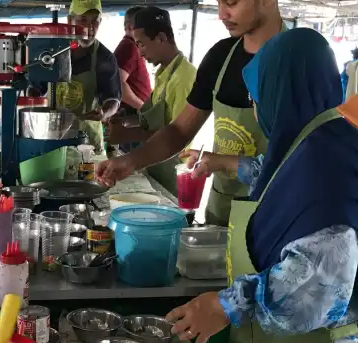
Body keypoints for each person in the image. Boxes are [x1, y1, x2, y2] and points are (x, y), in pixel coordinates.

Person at [166, 28, 358, 343]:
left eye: (258, 93)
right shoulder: (319, 136)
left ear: (282, 88)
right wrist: (220, 163)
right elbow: (276, 173)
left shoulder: (324, 164)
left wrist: (228, 305)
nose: (255, 105)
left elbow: (322, 278)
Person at [96, 0, 283, 226]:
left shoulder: (303, 60)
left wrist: (223, 162)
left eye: (231, 2)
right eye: (219, 3)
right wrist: (130, 161)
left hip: (275, 215)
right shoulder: (220, 58)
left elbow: (304, 162)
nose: (222, 14)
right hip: (224, 209)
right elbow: (179, 130)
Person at [107, 6, 196, 194]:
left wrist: (126, 135)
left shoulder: (184, 78)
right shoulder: (164, 74)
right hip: (156, 165)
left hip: (173, 168)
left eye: (142, 44)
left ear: (162, 38)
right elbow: (151, 117)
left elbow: (178, 136)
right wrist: (123, 122)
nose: (140, 53)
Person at [55, 0, 121, 153]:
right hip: (53, 137)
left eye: (95, 21)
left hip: (88, 142)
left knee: (88, 174)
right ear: (70, 20)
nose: (90, 27)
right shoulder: (54, 53)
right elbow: (35, 90)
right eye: (83, 20)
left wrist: (104, 112)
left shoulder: (104, 57)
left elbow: (113, 99)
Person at [114, 7, 151, 114]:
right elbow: (118, 84)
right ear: (130, 27)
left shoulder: (133, 46)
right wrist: (143, 108)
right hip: (132, 114)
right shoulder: (128, 47)